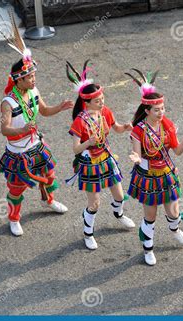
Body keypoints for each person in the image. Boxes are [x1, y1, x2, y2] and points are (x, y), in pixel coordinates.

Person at [0, 12, 73, 236]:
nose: (33, 80)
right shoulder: (8, 103)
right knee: (17, 188)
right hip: (18, 151)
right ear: (18, 80)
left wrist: (60, 107)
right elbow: (4, 129)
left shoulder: (34, 92)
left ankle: (48, 200)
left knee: (49, 174)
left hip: (35, 145)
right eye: (29, 77)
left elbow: (45, 110)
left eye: (33, 76)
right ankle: (13, 218)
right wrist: (21, 130)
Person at [126, 69, 183, 266]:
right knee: (150, 216)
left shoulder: (167, 126)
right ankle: (148, 249)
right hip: (148, 175)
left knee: (174, 213)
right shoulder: (138, 130)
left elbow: (177, 152)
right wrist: (134, 157)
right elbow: (137, 153)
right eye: (157, 110)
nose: (161, 112)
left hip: (167, 173)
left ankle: (174, 229)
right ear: (147, 111)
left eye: (163, 108)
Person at [66, 60, 135, 250]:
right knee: (94, 203)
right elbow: (76, 149)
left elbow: (117, 128)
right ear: (86, 103)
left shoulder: (105, 112)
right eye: (97, 100)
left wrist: (126, 127)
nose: (102, 102)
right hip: (89, 162)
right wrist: (88, 142)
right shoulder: (79, 122)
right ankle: (88, 233)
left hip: (106, 158)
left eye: (102, 98)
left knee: (120, 196)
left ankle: (118, 215)